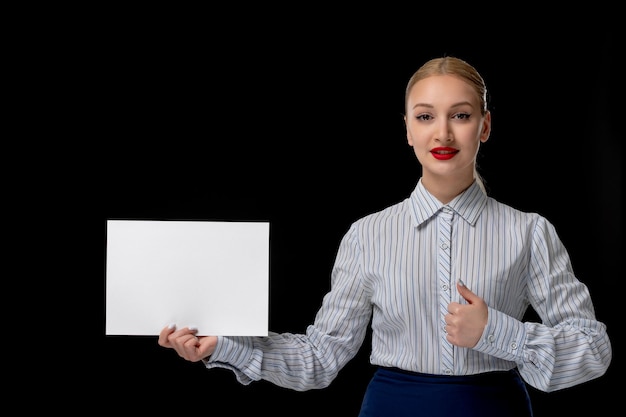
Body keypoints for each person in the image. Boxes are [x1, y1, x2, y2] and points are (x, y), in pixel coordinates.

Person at [158, 56, 612, 416]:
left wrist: (498, 332)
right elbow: (320, 358)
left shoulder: (530, 231)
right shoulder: (367, 235)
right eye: (425, 116)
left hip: (496, 409)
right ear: (408, 130)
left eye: (460, 115)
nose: (443, 132)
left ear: (485, 126)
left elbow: (594, 349)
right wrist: (226, 347)